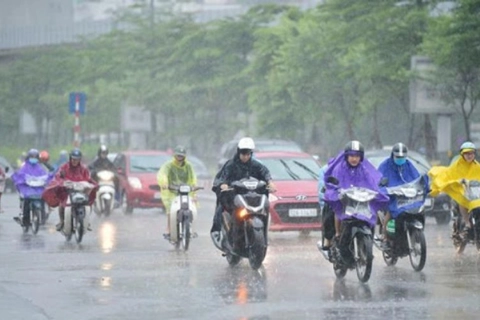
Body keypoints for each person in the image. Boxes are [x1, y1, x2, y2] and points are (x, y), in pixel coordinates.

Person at [210, 137, 276, 246]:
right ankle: (217, 230)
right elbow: (223, 177)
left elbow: (265, 173)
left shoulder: (255, 164)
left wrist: (270, 182)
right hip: (233, 195)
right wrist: (224, 184)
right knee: (221, 206)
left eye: (248, 154)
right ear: (238, 152)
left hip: (249, 195)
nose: (245, 156)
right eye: (243, 154)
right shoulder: (230, 165)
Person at [324, 140, 388, 242]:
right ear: (346, 156)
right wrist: (336, 190)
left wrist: (377, 191)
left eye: (357, 156)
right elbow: (335, 182)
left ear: (361, 157)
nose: (354, 159)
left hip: (360, 202)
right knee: (337, 210)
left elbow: (371, 183)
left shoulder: (364, 169)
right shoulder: (339, 168)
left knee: (373, 211)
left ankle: (373, 235)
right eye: (352, 156)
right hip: (345, 201)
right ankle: (337, 233)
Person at [377, 143, 427, 246]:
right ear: (393, 155)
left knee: (420, 210)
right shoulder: (385, 165)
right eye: (398, 157)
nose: (400, 159)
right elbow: (378, 180)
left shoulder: (408, 165)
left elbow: (416, 178)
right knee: (390, 213)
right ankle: (385, 237)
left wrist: (423, 185)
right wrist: (384, 188)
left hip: (407, 198)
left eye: (402, 157)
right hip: (394, 198)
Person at [429, 141, 480, 239]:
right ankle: (467, 222)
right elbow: (449, 175)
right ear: (462, 154)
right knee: (462, 199)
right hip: (462, 191)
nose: (469, 156)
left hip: (475, 193)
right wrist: (459, 181)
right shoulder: (457, 165)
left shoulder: (477, 166)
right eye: (466, 153)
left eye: (471, 153)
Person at [44, 149, 96, 231]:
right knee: (62, 203)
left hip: (80, 191)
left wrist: (93, 184)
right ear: (70, 158)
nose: (75, 161)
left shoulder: (83, 169)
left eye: (77, 159)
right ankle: (61, 221)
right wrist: (62, 182)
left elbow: (88, 179)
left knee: (88, 203)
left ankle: (86, 221)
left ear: (80, 159)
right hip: (67, 191)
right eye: (73, 159)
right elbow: (58, 177)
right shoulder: (64, 167)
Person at [157, 145, 197, 239]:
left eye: (181, 156)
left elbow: (193, 177)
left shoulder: (188, 166)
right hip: (171, 191)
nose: (180, 158)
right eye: (178, 156)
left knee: (191, 207)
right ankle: (169, 228)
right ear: (174, 155)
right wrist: (165, 183)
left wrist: (194, 186)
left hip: (185, 191)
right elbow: (163, 174)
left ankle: (190, 228)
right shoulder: (168, 165)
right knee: (171, 209)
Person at [11, 149, 52, 226]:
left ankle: (42, 216)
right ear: (28, 157)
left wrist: (48, 179)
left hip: (38, 188)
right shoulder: (25, 166)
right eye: (31, 156)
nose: (33, 158)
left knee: (43, 199)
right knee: (26, 201)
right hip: (28, 188)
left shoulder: (40, 167)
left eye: (35, 157)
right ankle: (25, 219)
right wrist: (22, 179)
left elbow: (45, 175)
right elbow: (20, 174)